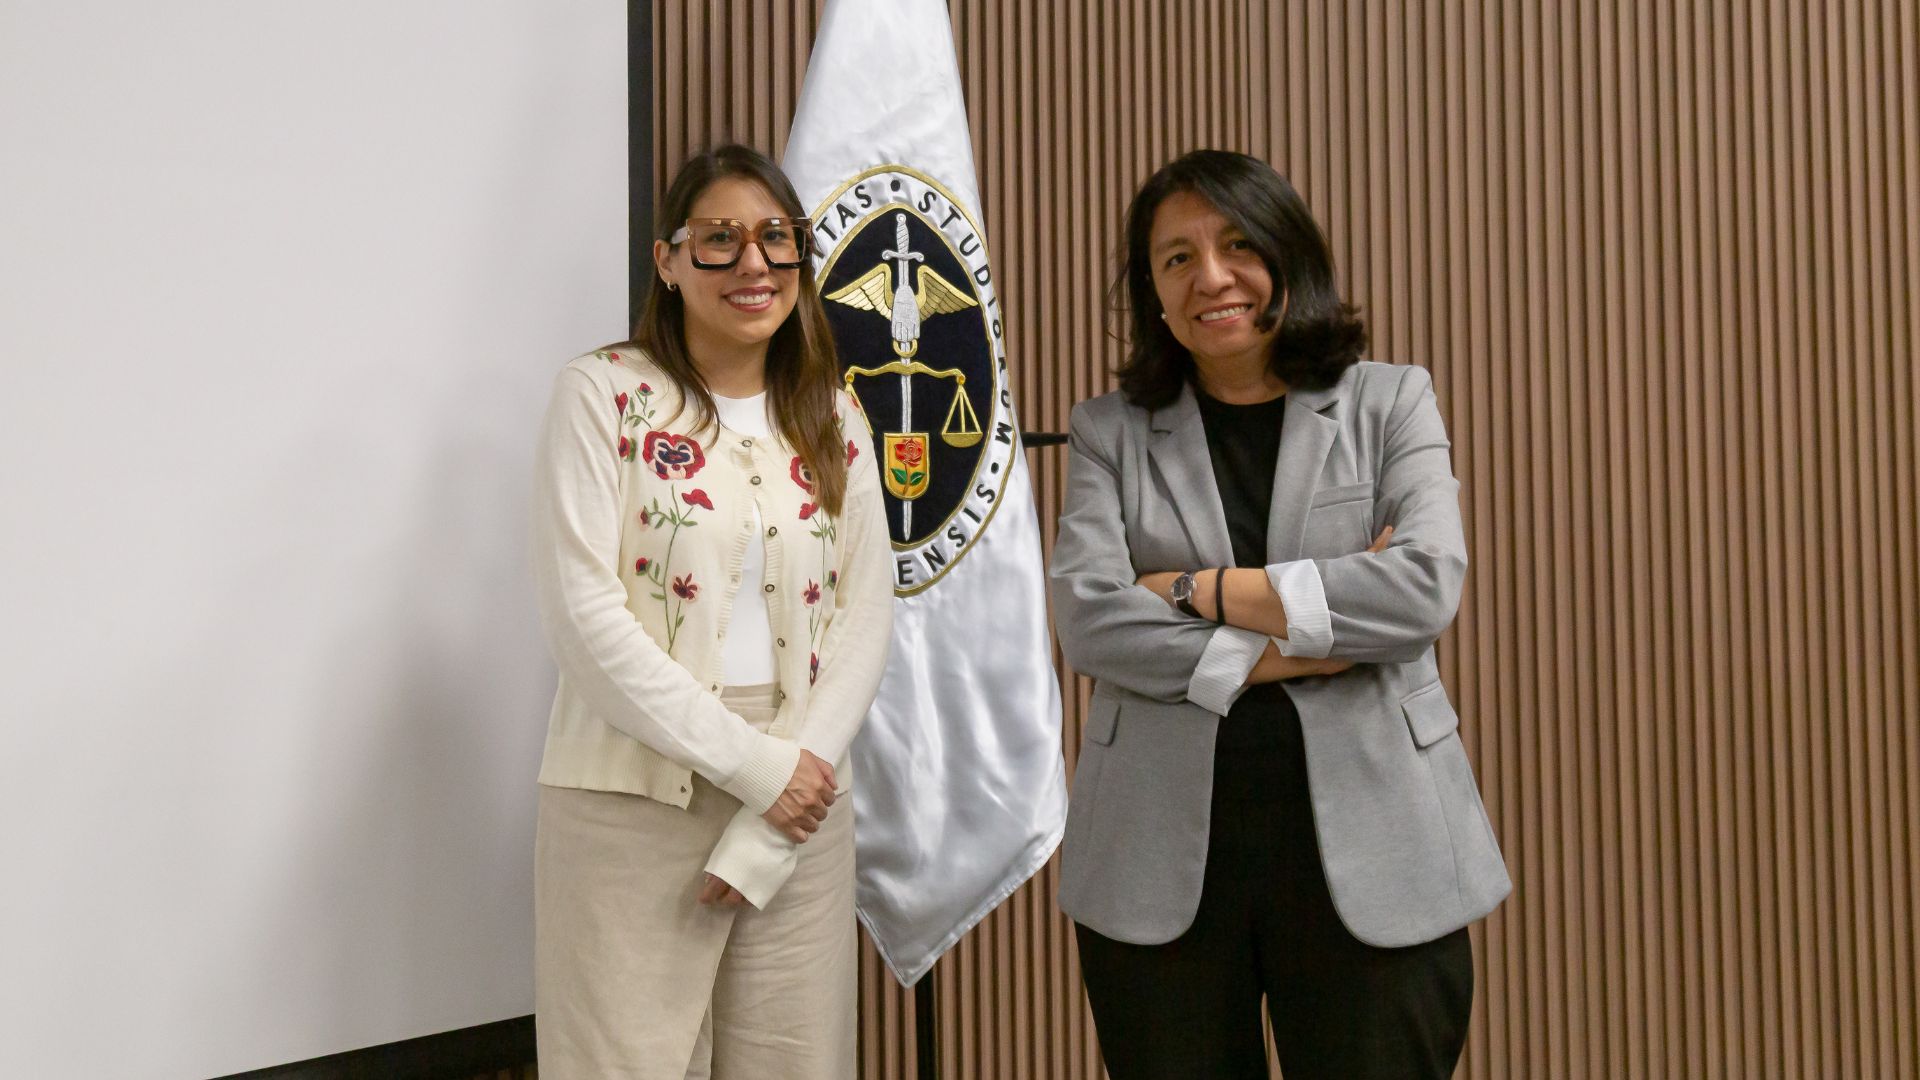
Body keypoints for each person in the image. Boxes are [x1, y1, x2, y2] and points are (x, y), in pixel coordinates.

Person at [1049, 149, 1510, 1079]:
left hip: (1380, 849)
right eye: (1177, 258)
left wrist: (1194, 589)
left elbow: (1421, 589)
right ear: (1153, 291)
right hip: (1160, 861)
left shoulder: (1390, 402)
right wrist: (1310, 643)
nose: (1210, 277)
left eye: (1237, 246)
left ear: (1287, 255)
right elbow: (1093, 623)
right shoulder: (1108, 433)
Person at [528, 144, 891, 1079]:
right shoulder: (602, 396)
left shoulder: (832, 414)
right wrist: (757, 769)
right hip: (633, 792)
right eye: (720, 239)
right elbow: (582, 619)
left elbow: (866, 613)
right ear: (668, 260)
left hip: (806, 796)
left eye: (776, 238)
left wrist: (783, 797)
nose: (753, 264)